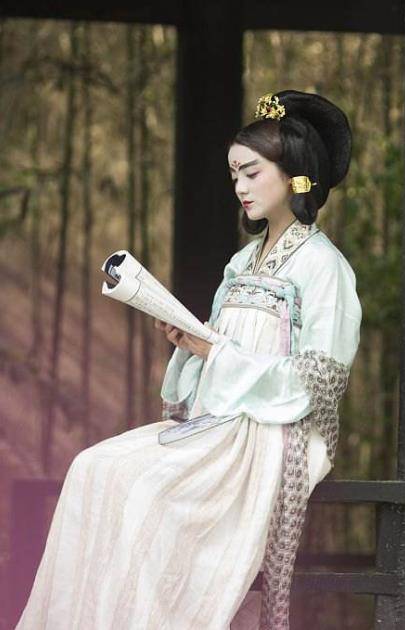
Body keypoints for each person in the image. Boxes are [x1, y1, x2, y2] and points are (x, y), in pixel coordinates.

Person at [16, 90, 361, 629]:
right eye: (234, 175)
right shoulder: (241, 262)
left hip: (274, 432)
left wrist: (213, 351)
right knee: (91, 469)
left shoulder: (324, 266)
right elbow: (214, 355)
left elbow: (318, 382)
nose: (240, 187)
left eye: (252, 173)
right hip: (216, 419)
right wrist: (190, 344)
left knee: (146, 493)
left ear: (294, 175)